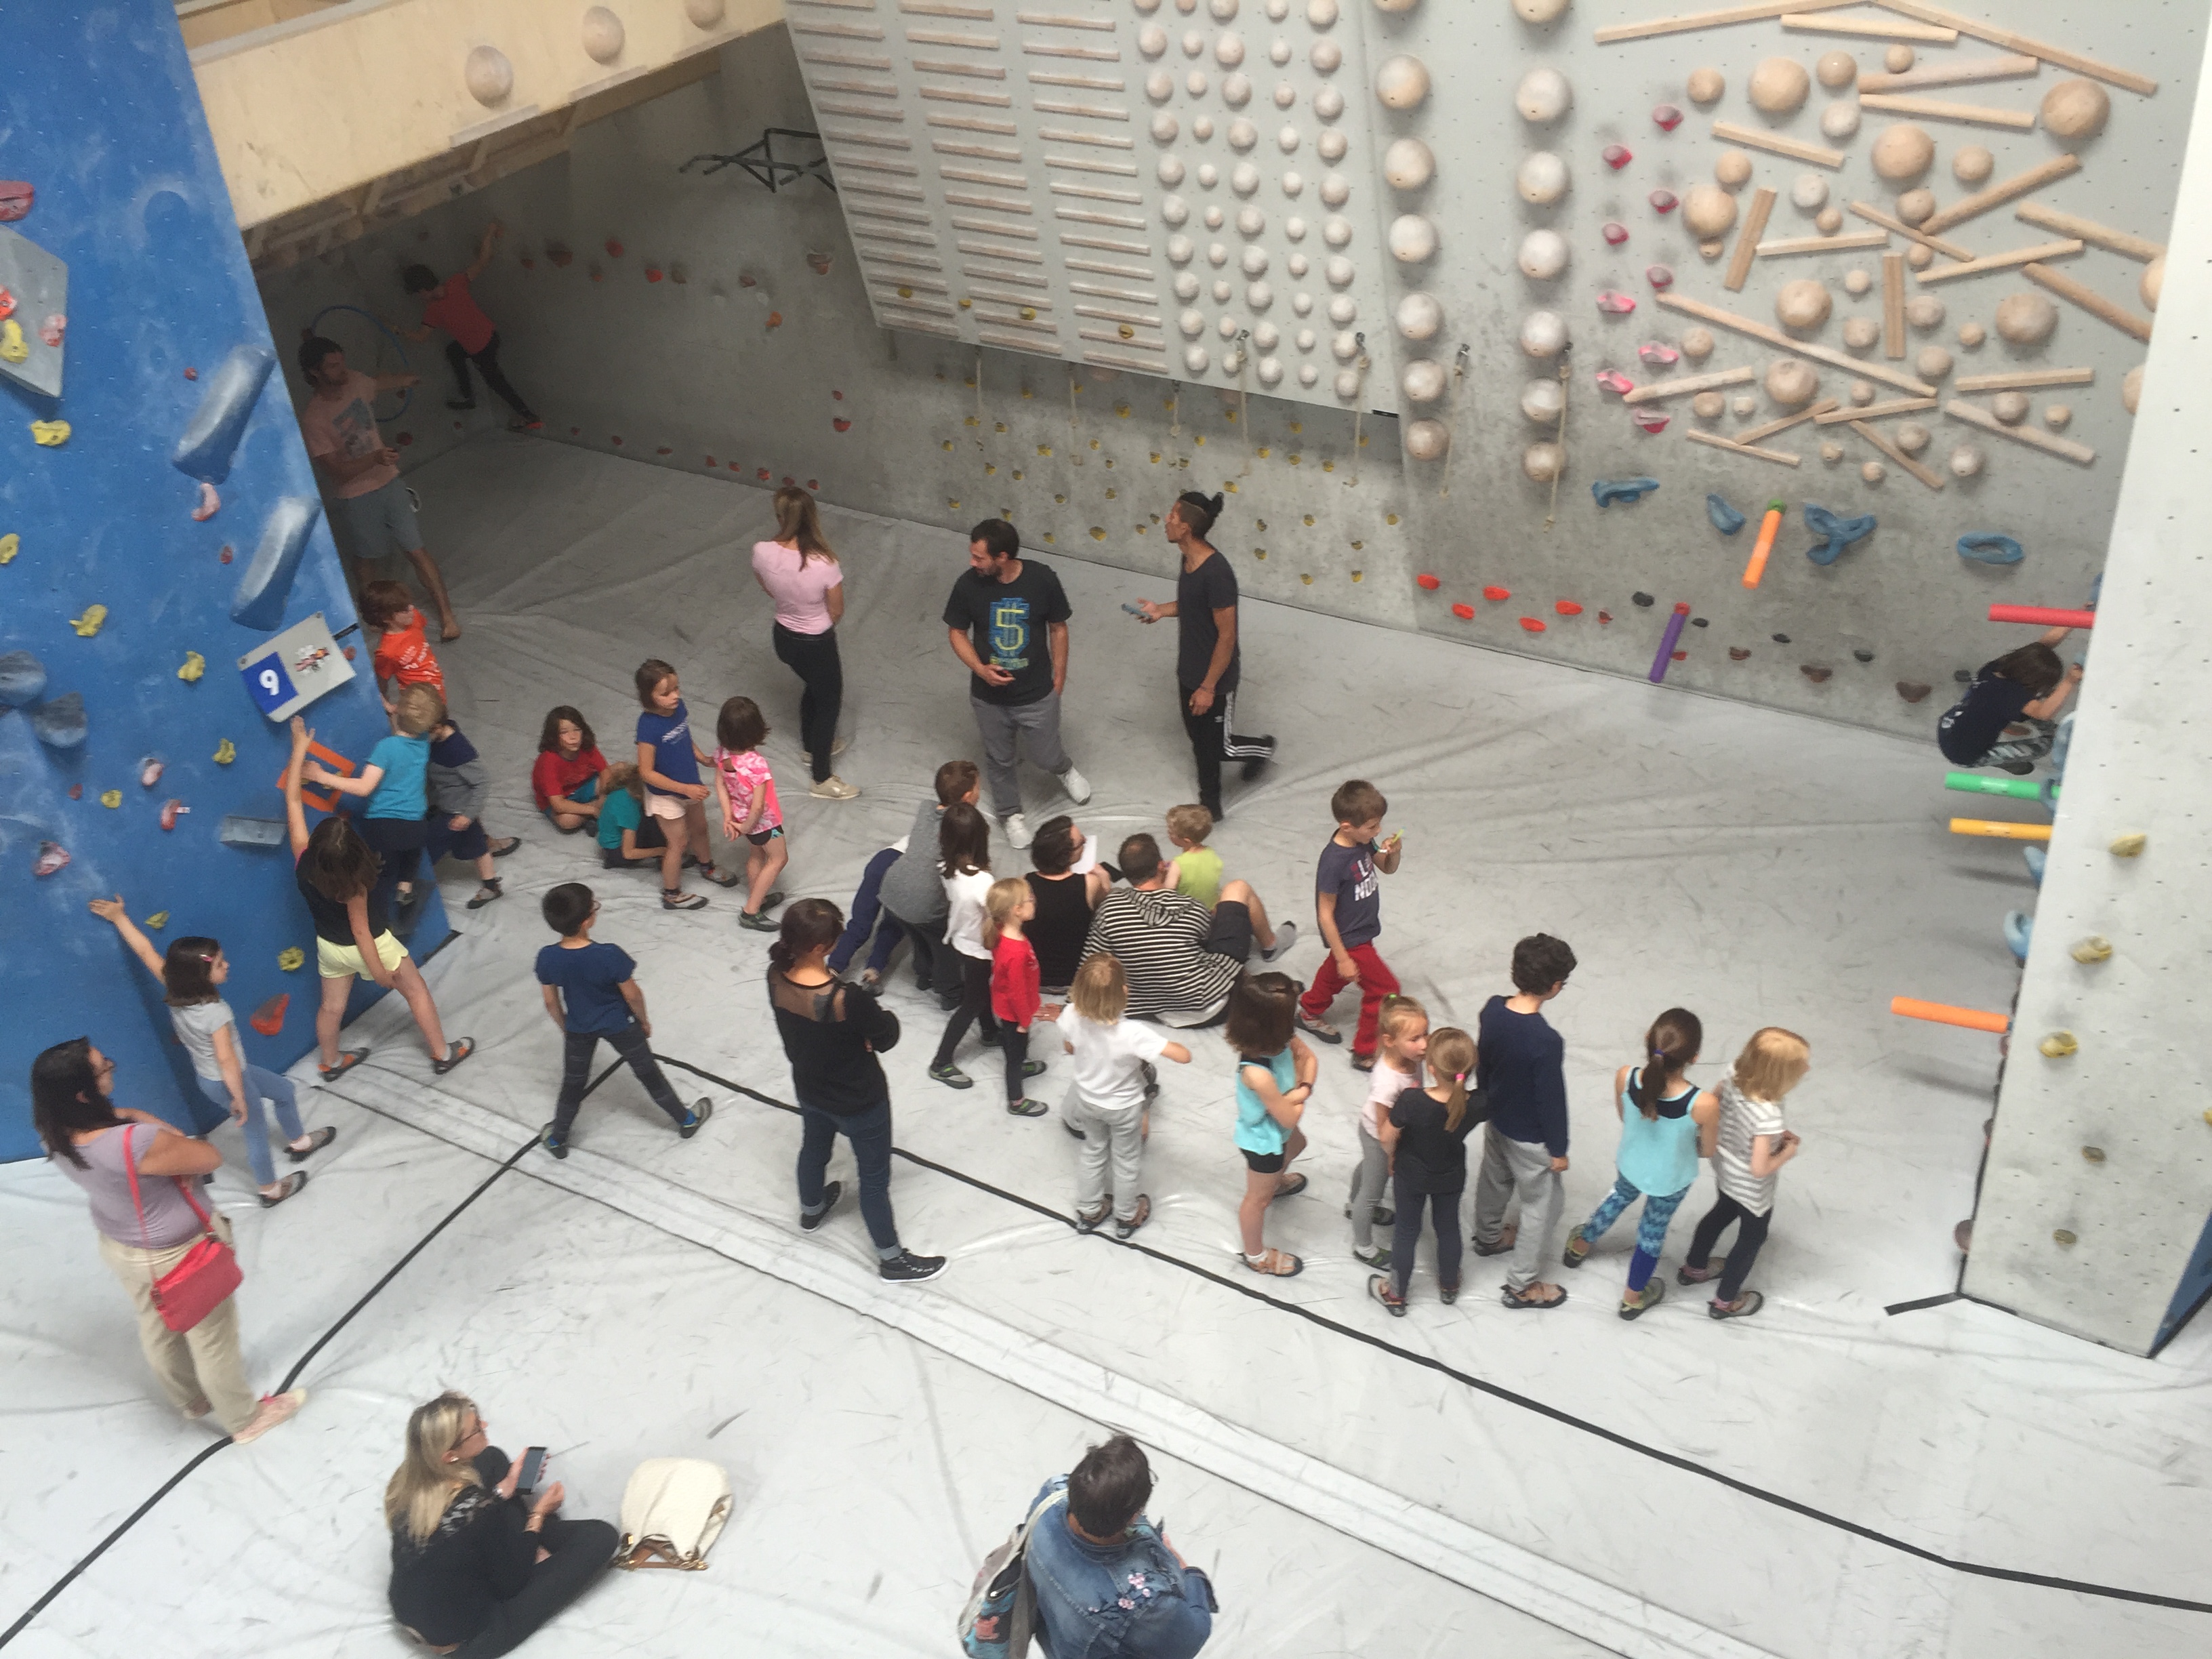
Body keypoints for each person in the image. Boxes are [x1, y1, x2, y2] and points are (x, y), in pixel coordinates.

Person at [33, 1037, 306, 1443]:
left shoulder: (53, 1132)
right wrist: (145, 1121)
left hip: (122, 1247)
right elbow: (206, 1158)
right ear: (82, 1094)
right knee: (212, 1338)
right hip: (179, 1253)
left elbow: (116, 1136)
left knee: (156, 1324)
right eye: (103, 1068)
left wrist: (126, 1116)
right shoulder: (134, 1142)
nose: (112, 1066)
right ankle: (245, 1421)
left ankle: (192, 1400)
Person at [86, 899, 335, 1204]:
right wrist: (240, 1097)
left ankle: (300, 1142)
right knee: (254, 1131)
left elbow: (145, 951)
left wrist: (119, 917)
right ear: (201, 976)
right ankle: (269, 1189)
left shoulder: (175, 988)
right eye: (219, 964)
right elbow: (226, 1058)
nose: (226, 964)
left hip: (216, 1078)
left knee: (283, 1089)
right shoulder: (215, 1013)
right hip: (229, 1080)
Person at [767, 899, 946, 1281]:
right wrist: (873, 1025)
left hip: (810, 1088)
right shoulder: (847, 998)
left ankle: (812, 1209)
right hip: (860, 1101)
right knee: (875, 1179)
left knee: (814, 1148)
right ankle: (892, 1258)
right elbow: (886, 1037)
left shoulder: (775, 976)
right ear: (820, 947)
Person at [287, 716, 473, 1078]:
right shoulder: (355, 883)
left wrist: (297, 752)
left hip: (329, 948)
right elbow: (361, 931)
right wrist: (378, 974)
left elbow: (292, 798)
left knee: (331, 1007)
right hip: (373, 947)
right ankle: (442, 1053)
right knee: (416, 991)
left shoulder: (302, 859)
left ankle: (331, 1061)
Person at [386, 1392, 616, 1656]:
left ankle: (524, 1534)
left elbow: (461, 1527)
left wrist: (505, 1489)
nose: (484, 1427)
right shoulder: (477, 1510)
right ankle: (533, 1540)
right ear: (450, 1455)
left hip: (411, 1605)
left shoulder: (405, 1483)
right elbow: (511, 1583)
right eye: (475, 1429)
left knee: (491, 1458)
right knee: (600, 1536)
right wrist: (538, 1515)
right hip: (464, 1632)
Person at [1561, 1008, 1722, 1319]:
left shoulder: (1625, 1075)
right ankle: (1633, 1297)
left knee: (1617, 1197)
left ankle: (1580, 1245)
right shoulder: (1703, 1103)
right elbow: (1707, 1150)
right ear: (1696, 1057)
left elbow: (1626, 1116)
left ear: (1648, 1039)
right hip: (1671, 1179)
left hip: (1631, 1163)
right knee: (1652, 1233)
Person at [942, 517, 1090, 849]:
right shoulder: (967, 585)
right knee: (999, 758)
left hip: (1036, 693)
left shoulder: (1042, 579)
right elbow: (956, 632)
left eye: (979, 558)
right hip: (988, 698)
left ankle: (1063, 769)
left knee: (1046, 753)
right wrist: (981, 670)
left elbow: (1058, 628)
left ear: (1003, 557)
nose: (972, 563)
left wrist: (1060, 678)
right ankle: (1011, 814)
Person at [295, 335, 457, 640]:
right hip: (357, 496)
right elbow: (338, 474)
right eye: (333, 366)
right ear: (315, 372)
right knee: (367, 558)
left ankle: (448, 617)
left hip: (389, 482)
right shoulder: (314, 419)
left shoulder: (354, 381)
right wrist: (375, 458)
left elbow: (377, 382)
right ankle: (371, 614)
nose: (342, 370)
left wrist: (407, 379)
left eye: (341, 362)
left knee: (416, 549)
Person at [533, 883, 711, 1159]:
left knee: (573, 1083)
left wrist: (565, 1026)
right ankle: (685, 1120)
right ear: (587, 920)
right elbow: (633, 994)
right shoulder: (609, 955)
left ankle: (558, 1137)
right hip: (621, 1025)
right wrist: (643, 1020)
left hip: (579, 1027)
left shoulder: (547, 957)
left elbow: (550, 1002)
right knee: (649, 1074)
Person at [1132, 491, 1274, 821]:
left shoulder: (1217, 573)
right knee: (1199, 741)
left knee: (1218, 748)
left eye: (1172, 516)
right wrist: (1159, 611)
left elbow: (1227, 636)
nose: (1166, 520)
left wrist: (1209, 687)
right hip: (1189, 671)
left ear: (1186, 528)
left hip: (1214, 679)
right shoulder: (1188, 560)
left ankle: (1255, 757)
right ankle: (1210, 800)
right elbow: (1192, 605)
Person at [1024, 1435, 1216, 1659]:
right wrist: (1190, 1574)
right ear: (1133, 1517)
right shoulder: (1141, 1600)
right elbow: (1190, 1637)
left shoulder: (1051, 1494)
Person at [1080, 834, 1294, 1023]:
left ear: (1126, 874)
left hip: (1151, 1009)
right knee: (1237, 888)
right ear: (1161, 866)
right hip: (1213, 1004)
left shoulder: (1110, 906)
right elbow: (1210, 938)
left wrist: (1074, 1006)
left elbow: (1091, 959)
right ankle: (1271, 944)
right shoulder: (1191, 907)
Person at [1470, 933, 1576, 1311]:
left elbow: (1483, 1060)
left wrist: (1486, 1097)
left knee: (1493, 1178)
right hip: (1531, 1137)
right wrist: (1559, 1149)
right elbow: (1551, 1099)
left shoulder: (1493, 1010)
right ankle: (1522, 1284)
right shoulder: (1546, 1040)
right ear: (1554, 987)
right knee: (1541, 1205)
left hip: (1496, 1118)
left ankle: (1488, 1236)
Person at [1679, 1027, 1810, 1320]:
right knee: (1751, 1239)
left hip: (1725, 1168)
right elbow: (1759, 1167)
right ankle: (1725, 1301)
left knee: (1720, 1213)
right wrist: (1786, 1151)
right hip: (1752, 1189)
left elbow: (1712, 1103)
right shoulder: (1768, 1115)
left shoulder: (1734, 1072)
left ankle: (1694, 1268)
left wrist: (1773, 1136)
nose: (1808, 1068)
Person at [1063, 954, 1189, 1241]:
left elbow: (1070, 1047)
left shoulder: (1071, 1014)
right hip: (1124, 1107)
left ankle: (1090, 1209)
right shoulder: (1132, 1033)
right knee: (1126, 1159)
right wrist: (1164, 1044)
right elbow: (1183, 1056)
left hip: (1088, 1100)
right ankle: (1126, 1214)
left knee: (1093, 1151)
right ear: (1124, 992)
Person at [304, 681, 443, 927]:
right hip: (417, 827)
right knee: (412, 854)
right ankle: (406, 887)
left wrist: (320, 776)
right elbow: (405, 736)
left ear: (399, 709)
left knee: (379, 873)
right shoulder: (423, 742)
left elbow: (364, 788)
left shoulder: (385, 748)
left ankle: (376, 917)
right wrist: (394, 711)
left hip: (384, 829)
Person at [750, 485, 858, 799]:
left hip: (783, 637)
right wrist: (815, 620)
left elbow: (767, 586)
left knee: (813, 685)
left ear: (780, 516)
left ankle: (813, 746)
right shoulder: (825, 564)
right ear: (813, 517)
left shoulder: (761, 551)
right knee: (829, 702)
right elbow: (836, 610)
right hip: (816, 643)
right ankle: (821, 778)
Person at [1371, 1026, 1483, 1316]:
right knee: (1448, 1228)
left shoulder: (1413, 1101)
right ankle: (1449, 1284)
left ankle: (1396, 1293)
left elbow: (1386, 1136)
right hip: (1451, 1175)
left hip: (1411, 1175)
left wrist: (1391, 1156)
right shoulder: (1479, 1103)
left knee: (1407, 1231)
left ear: (1431, 1068)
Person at [1294, 779, 1404, 1070]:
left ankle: (1309, 1009)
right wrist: (1343, 954)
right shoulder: (1333, 861)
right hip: (1350, 936)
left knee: (1337, 973)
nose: (1377, 831)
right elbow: (1325, 913)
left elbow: (1386, 867)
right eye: (1372, 826)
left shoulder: (1362, 840)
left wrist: (1394, 852)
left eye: (1379, 824)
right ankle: (1365, 1051)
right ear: (1346, 826)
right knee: (1386, 989)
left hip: (1362, 930)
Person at [930, 804, 1036, 1094]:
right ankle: (941, 1061)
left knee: (980, 993)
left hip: (962, 939)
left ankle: (989, 1032)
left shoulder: (944, 865)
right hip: (978, 948)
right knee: (972, 1003)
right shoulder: (982, 881)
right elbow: (998, 912)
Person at [395, 221, 542, 428]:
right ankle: (468, 396)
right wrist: (488, 235)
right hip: (491, 335)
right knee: (454, 351)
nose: (419, 298)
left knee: (496, 382)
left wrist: (398, 330)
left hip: (479, 350)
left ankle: (528, 415)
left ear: (422, 291)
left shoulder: (433, 311)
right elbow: (483, 261)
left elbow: (421, 337)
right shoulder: (455, 283)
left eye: (418, 294)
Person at [633, 658, 743, 911]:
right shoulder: (647, 726)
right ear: (648, 697)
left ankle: (707, 866)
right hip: (665, 795)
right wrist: (683, 789)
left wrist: (703, 758)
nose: (675, 696)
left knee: (701, 828)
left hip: (690, 784)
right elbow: (646, 772)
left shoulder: (678, 709)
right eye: (666, 693)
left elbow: (684, 736)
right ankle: (672, 894)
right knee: (679, 843)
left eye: (677, 689)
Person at [1226, 972, 1314, 1278]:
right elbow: (1290, 1116)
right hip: (1262, 1139)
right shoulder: (1257, 1074)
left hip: (1278, 1128)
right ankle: (1256, 1255)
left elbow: (1308, 1057)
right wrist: (1303, 1092)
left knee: (1299, 1144)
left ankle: (1274, 1180)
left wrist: (1299, 1090)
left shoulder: (1282, 1039)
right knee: (1256, 1201)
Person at [878, 760, 981, 1006]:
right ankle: (950, 992)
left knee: (917, 935)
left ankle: (923, 975)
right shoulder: (965, 826)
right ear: (968, 797)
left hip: (892, 890)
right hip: (922, 902)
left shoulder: (926, 809)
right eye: (979, 788)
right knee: (943, 945)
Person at [1936, 630, 2083, 773]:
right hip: (1962, 754)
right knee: (2043, 747)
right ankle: (1999, 758)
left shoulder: (1997, 666)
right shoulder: (2011, 698)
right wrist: (2069, 682)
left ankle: (2003, 723)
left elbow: (2042, 646)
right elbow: (2044, 713)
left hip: (1950, 725)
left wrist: (2075, 619)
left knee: (2019, 707)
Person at [1349, 996, 1423, 1269]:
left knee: (1368, 1168)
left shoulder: (1412, 1058)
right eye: (1415, 1038)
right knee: (1373, 1189)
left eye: (1424, 1035)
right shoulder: (1386, 1082)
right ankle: (1363, 1246)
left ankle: (1351, 1204)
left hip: (1388, 1134)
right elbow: (1383, 1130)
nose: (1424, 1044)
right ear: (1390, 1041)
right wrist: (1392, 1157)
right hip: (1380, 1136)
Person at [710, 695, 789, 932]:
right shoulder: (756, 764)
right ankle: (751, 911)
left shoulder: (722, 754)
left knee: (756, 856)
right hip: (764, 823)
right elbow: (759, 805)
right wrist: (746, 827)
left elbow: (720, 784)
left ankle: (759, 896)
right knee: (778, 859)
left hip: (742, 817)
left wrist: (729, 817)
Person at [426, 714, 520, 911]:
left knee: (427, 851)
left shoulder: (458, 750)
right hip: (448, 808)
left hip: (457, 813)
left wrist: (468, 815)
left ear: (435, 726)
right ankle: (491, 885)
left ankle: (418, 885)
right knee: (479, 847)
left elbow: (482, 782)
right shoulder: (440, 739)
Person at [987, 876, 1052, 1118]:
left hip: (1016, 1007)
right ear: (1017, 910)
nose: (1034, 902)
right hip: (1016, 1013)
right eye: (1030, 899)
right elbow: (1016, 992)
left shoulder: (1004, 932)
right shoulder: (1014, 952)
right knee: (1013, 1057)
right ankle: (1016, 1100)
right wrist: (1025, 1021)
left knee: (1020, 1048)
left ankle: (1023, 1062)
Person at [1025, 815, 1111, 996]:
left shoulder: (1024, 885)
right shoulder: (1090, 884)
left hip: (1036, 977)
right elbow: (1104, 912)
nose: (1086, 841)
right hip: (1076, 979)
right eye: (1081, 842)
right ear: (1067, 855)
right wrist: (1105, 882)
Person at [827, 841, 905, 991]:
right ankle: (873, 972)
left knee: (860, 923)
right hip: (908, 873)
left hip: (883, 860)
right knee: (893, 924)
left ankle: (832, 970)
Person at [362, 579, 447, 699]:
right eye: (404, 609)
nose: (412, 608)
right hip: (417, 699)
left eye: (409, 604)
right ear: (386, 617)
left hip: (436, 685)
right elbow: (381, 680)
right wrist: (385, 703)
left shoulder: (415, 617)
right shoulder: (387, 652)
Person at [531, 708, 606, 832]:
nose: (573, 737)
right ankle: (594, 814)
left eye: (577, 730)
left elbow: (605, 772)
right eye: (564, 732)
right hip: (560, 799)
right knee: (568, 821)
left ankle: (592, 814)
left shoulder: (587, 746)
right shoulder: (548, 762)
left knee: (622, 770)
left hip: (584, 785)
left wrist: (604, 795)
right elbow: (558, 804)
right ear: (554, 736)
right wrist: (594, 809)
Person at [591, 762, 667, 872]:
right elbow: (628, 853)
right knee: (658, 819)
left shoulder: (622, 791)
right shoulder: (630, 808)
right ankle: (663, 857)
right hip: (619, 853)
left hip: (609, 843)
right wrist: (661, 850)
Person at [1162, 804, 1221, 911]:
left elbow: (1167, 894)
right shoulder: (1211, 853)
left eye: (1171, 832)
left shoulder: (1178, 864)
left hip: (1190, 912)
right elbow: (1197, 870)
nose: (1167, 832)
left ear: (1186, 841)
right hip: (1212, 908)